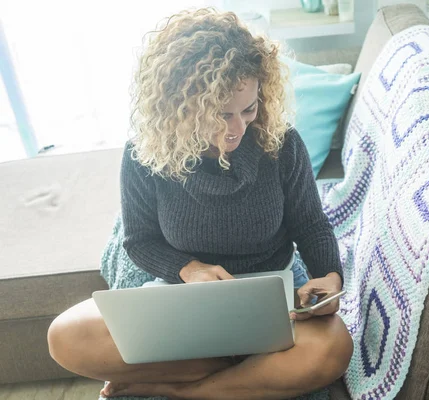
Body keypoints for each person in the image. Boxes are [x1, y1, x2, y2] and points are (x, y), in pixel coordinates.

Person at [46, 8, 353, 400]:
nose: (238, 129)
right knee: (66, 336)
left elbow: (312, 225)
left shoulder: (281, 144)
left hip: (274, 300)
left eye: (249, 109)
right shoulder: (145, 154)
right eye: (221, 115)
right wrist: (190, 270)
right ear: (180, 105)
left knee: (334, 347)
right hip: (183, 301)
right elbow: (139, 241)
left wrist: (329, 278)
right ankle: (252, 372)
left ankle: (180, 389)